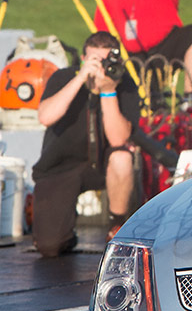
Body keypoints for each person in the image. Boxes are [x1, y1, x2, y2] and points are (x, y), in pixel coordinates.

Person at [32, 32, 139, 257]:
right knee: (49, 247)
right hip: (61, 166)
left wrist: (108, 90)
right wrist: (81, 78)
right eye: (95, 61)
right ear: (82, 59)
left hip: (102, 163)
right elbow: (46, 117)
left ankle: (117, 225)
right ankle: (65, 235)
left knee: (122, 157)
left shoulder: (124, 83)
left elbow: (119, 139)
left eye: (107, 61)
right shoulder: (63, 77)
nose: (101, 67)